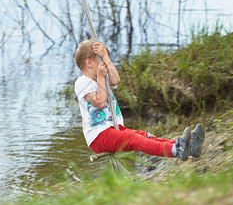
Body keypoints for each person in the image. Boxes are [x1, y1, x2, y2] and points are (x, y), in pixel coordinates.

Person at [74, 40, 204, 161]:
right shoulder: (82, 82)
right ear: (89, 63)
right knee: (134, 139)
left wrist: (106, 59)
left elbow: (115, 80)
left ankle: (187, 146)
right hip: (98, 136)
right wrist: (101, 76)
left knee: (143, 136)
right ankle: (176, 150)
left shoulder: (101, 76)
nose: (105, 64)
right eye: (101, 60)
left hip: (114, 129)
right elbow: (100, 103)